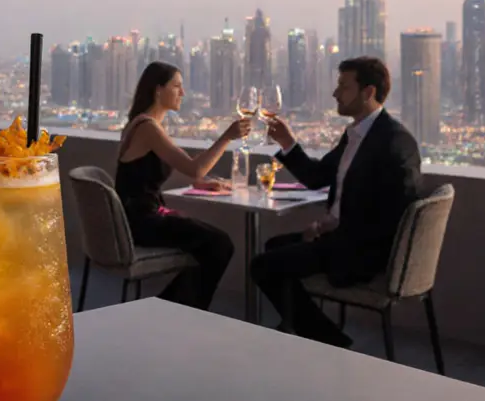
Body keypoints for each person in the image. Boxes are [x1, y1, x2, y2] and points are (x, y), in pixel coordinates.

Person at [252, 56, 422, 348]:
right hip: (345, 238)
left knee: (262, 266)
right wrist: (288, 144)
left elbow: (393, 215)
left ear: (368, 92)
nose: (335, 94)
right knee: (274, 248)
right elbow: (318, 177)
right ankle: (298, 326)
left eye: (343, 86)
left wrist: (327, 232)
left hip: (364, 250)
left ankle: (328, 340)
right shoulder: (357, 134)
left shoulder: (395, 142)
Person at [115, 62, 249, 310]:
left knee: (211, 245)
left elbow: (181, 170)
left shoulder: (141, 123)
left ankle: (172, 308)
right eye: (177, 86)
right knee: (219, 244)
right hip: (141, 221)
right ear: (158, 90)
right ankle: (171, 310)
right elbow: (194, 168)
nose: (183, 93)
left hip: (134, 217)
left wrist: (203, 182)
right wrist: (227, 136)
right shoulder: (147, 128)